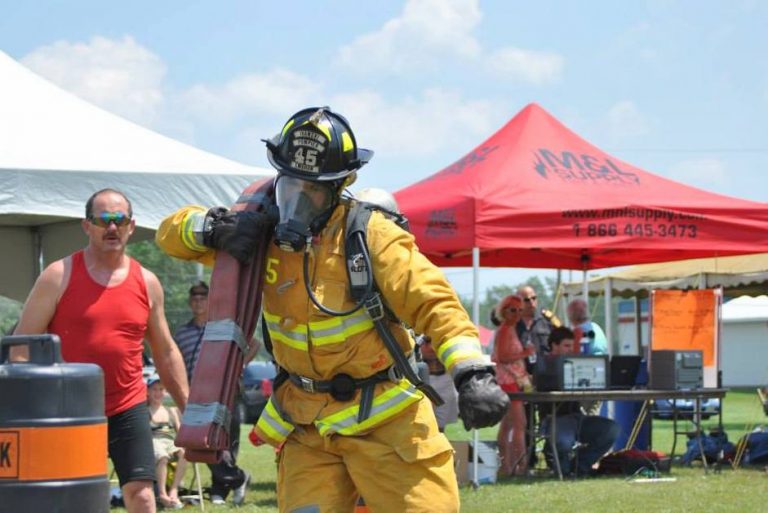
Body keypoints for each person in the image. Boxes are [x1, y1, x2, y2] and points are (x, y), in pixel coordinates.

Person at [155, 106, 509, 512]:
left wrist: (472, 373)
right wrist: (216, 228)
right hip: (307, 429)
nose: (299, 199)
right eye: (291, 184)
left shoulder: (372, 235)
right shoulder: (256, 232)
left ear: (342, 183)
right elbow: (170, 235)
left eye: (314, 190)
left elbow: (436, 304)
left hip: (387, 425)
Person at [11, 188, 189, 513]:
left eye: (119, 220)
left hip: (126, 404)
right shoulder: (58, 275)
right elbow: (22, 347)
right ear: (87, 226)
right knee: (70, 501)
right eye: (103, 220)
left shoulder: (147, 282)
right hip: (69, 410)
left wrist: (190, 409)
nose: (112, 227)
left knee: (143, 495)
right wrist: (27, 410)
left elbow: (165, 352)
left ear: (131, 226)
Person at [173, 281, 253, 506]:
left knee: (227, 443)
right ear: (190, 302)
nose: (198, 302)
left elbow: (253, 344)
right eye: (195, 298)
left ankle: (220, 490)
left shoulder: (222, 327)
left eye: (203, 297)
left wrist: (238, 366)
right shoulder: (182, 333)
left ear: (210, 301)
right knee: (203, 442)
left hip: (226, 394)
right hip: (196, 397)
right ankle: (238, 479)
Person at [541, 327, 619, 477]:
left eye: (572, 346)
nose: (570, 350)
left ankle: (579, 467)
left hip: (578, 418)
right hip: (555, 419)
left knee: (611, 429)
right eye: (566, 346)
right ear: (554, 345)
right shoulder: (544, 364)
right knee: (564, 442)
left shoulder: (577, 363)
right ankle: (565, 469)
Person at [491, 294, 534, 476]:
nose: (517, 314)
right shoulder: (505, 330)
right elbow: (501, 357)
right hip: (508, 383)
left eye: (520, 310)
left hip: (510, 382)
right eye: (513, 310)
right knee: (519, 425)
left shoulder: (509, 329)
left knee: (508, 425)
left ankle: (507, 466)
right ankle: (519, 466)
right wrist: (525, 353)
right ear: (503, 311)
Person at [147, 375, 186, 510]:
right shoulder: (145, 411)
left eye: (161, 389)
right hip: (154, 441)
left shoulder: (171, 411)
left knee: (184, 453)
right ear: (148, 391)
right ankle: (162, 494)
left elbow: (180, 432)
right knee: (163, 456)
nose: (158, 393)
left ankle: (174, 490)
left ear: (165, 392)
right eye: (154, 390)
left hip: (170, 441)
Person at [419, 335, 459, 432]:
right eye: (427, 343)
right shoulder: (418, 332)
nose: (431, 347)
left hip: (444, 379)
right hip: (422, 380)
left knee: (439, 426)